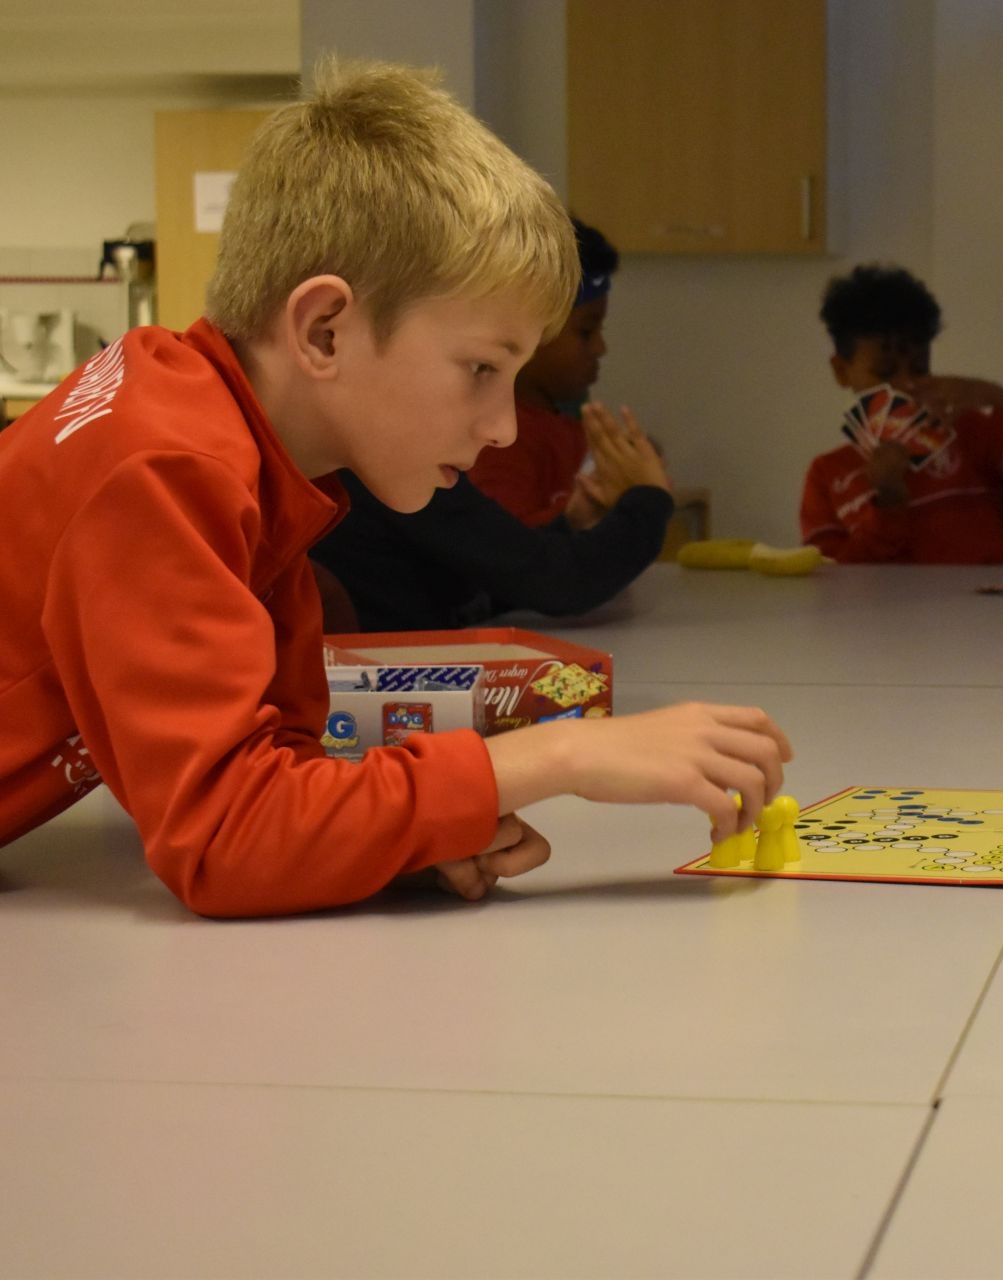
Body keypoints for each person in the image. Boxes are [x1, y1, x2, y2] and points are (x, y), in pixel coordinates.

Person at [0, 60, 790, 917]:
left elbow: (278, 774)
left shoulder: (239, 447)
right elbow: (226, 840)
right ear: (324, 332)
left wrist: (396, 837)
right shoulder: (168, 467)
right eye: (480, 369)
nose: (504, 427)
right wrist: (560, 754)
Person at [311, 216, 673, 631]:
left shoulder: (379, 446)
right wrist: (649, 499)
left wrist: (567, 525)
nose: (503, 430)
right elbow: (556, 583)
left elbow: (484, 575)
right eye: (480, 368)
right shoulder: (382, 451)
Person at [799, 263, 1003, 564]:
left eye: (920, 369)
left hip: (983, 593)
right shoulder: (829, 474)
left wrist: (1000, 400)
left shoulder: (969, 434)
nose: (906, 385)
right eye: (885, 372)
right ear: (841, 371)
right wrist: (889, 504)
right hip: (884, 596)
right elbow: (833, 581)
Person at [466, 217, 622, 529]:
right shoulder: (498, 440)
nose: (600, 348)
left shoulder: (566, 426)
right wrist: (581, 513)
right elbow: (504, 545)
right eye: (586, 331)